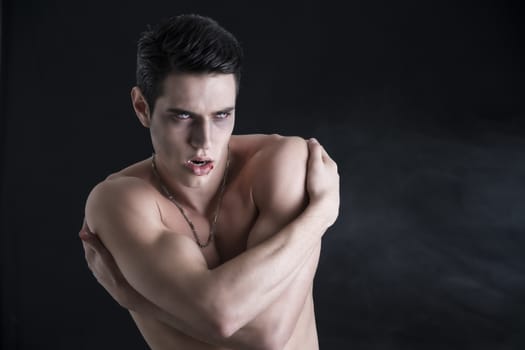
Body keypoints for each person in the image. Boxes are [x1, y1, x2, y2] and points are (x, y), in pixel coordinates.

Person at [79, 13, 339, 350]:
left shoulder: (279, 162)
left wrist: (137, 300)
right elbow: (231, 322)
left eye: (221, 116)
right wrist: (318, 218)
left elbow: (268, 334)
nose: (204, 141)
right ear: (142, 107)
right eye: (183, 116)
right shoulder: (120, 201)